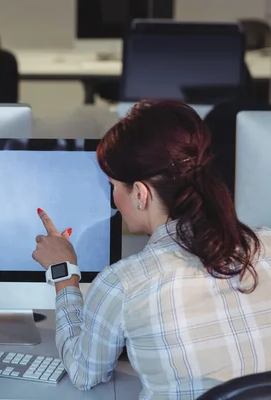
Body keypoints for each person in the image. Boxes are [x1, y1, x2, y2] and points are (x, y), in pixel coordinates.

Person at [31, 99, 271, 399]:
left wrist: (64, 275)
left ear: (141, 194)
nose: (113, 198)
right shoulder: (267, 245)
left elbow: (84, 373)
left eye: (114, 186)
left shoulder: (125, 283)